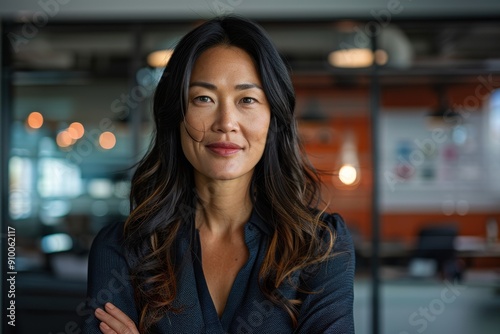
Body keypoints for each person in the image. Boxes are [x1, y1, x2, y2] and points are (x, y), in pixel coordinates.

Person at [84, 15, 355, 334]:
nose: (226, 122)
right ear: (178, 115)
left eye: (247, 100)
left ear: (273, 118)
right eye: (204, 98)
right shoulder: (120, 250)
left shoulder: (320, 245)